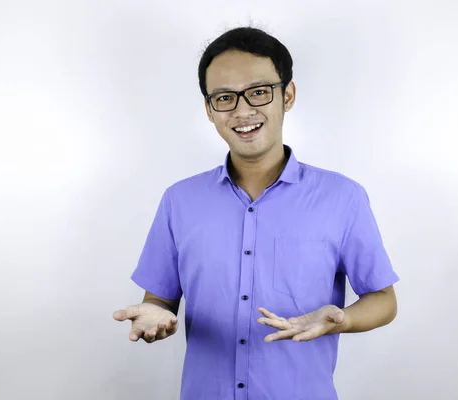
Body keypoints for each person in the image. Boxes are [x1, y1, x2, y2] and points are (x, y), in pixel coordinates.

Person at [113, 26, 399, 400]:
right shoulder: (179, 201)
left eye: (259, 92)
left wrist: (342, 320)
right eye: (225, 98)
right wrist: (155, 316)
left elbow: (384, 300)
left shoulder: (343, 198)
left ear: (288, 95)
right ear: (209, 109)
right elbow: (159, 299)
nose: (243, 110)